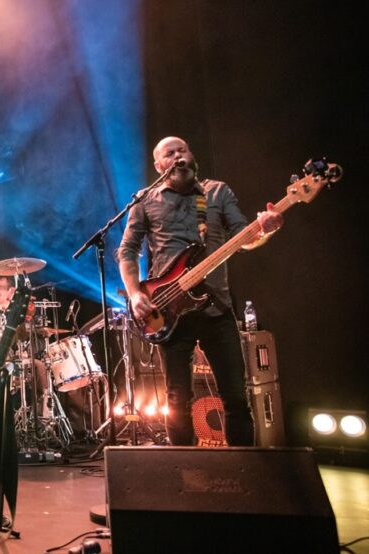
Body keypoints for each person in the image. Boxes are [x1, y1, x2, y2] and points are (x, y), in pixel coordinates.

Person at [117, 137, 283, 446]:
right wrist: (136, 293)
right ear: (159, 166)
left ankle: (243, 468)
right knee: (177, 399)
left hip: (216, 307)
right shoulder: (144, 199)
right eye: (170, 153)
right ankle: (184, 469)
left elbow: (244, 238)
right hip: (167, 309)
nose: (178, 156)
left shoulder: (217, 192)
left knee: (236, 397)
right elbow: (127, 251)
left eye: (183, 150)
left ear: (191, 155)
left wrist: (265, 229)